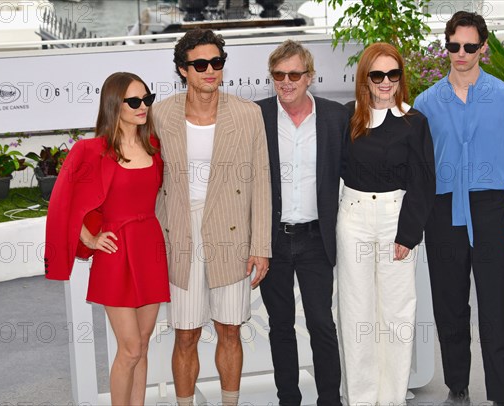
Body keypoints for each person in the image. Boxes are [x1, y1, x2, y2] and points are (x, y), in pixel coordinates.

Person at [414, 11, 504, 406]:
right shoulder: (426, 103)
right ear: (446, 45)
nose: (460, 54)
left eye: (469, 46)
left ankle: (502, 396)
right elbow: (418, 167)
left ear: (483, 47)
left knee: (497, 308)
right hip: (442, 210)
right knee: (449, 305)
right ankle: (457, 386)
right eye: (453, 46)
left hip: (489, 209)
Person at [152, 28, 271, 406]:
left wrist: (261, 246)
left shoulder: (248, 114)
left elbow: (262, 184)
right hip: (181, 232)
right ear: (182, 69)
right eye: (200, 64)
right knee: (185, 333)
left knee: (230, 330)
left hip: (231, 233)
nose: (209, 71)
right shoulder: (158, 114)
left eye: (216, 63)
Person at [44, 72, 170, 406]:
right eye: (134, 101)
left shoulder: (154, 145)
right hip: (116, 254)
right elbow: (61, 201)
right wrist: (88, 236)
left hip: (150, 248)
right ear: (115, 105)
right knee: (128, 348)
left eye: (147, 99)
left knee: (142, 344)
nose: (143, 106)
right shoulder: (92, 150)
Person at [337, 42, 436, 405]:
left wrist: (408, 234)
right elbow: (337, 170)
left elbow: (424, 181)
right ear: (365, 78)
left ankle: (392, 398)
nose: (385, 82)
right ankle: (361, 398)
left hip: (396, 219)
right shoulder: (348, 118)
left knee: (397, 313)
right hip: (353, 219)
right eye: (377, 74)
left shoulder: (415, 122)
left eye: (393, 74)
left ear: (400, 78)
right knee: (355, 311)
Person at [255, 39, 347, 406]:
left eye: (294, 74)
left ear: (309, 76)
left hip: (315, 238)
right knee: (280, 327)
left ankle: (329, 399)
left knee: (322, 324)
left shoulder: (335, 117)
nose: (286, 81)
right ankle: (288, 399)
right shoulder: (257, 115)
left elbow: (354, 170)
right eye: (279, 75)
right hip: (273, 239)